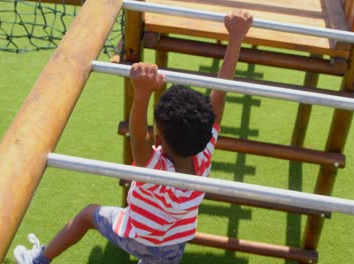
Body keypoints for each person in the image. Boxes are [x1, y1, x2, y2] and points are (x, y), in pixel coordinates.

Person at [14, 10, 253, 264]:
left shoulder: (156, 170)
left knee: (86, 216)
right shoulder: (205, 153)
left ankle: (39, 260)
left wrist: (142, 93)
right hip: (172, 244)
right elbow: (221, 92)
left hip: (138, 236)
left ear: (158, 141)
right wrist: (236, 38)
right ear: (207, 129)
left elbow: (138, 139)